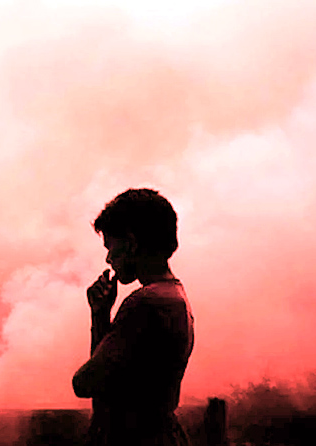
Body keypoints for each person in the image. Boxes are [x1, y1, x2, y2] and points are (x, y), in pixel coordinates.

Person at [72, 188, 195, 445]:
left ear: (130, 243)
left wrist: (99, 318)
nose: (108, 258)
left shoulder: (145, 303)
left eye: (111, 247)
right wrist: (101, 313)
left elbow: (85, 383)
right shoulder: (174, 295)